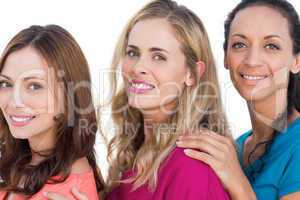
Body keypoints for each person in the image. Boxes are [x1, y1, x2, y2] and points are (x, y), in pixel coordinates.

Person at [46, 0, 231, 199]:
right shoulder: (136, 154)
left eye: (159, 57)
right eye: (133, 53)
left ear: (192, 74)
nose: (137, 67)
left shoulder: (190, 165)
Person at [176, 0, 300, 199]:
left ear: (296, 61)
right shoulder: (235, 148)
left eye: (271, 46)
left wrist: (238, 183)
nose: (252, 60)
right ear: (225, 57)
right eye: (239, 44)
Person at [0, 25, 104, 200]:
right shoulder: (26, 159)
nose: (13, 102)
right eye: (6, 84)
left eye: (34, 86)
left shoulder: (62, 192)